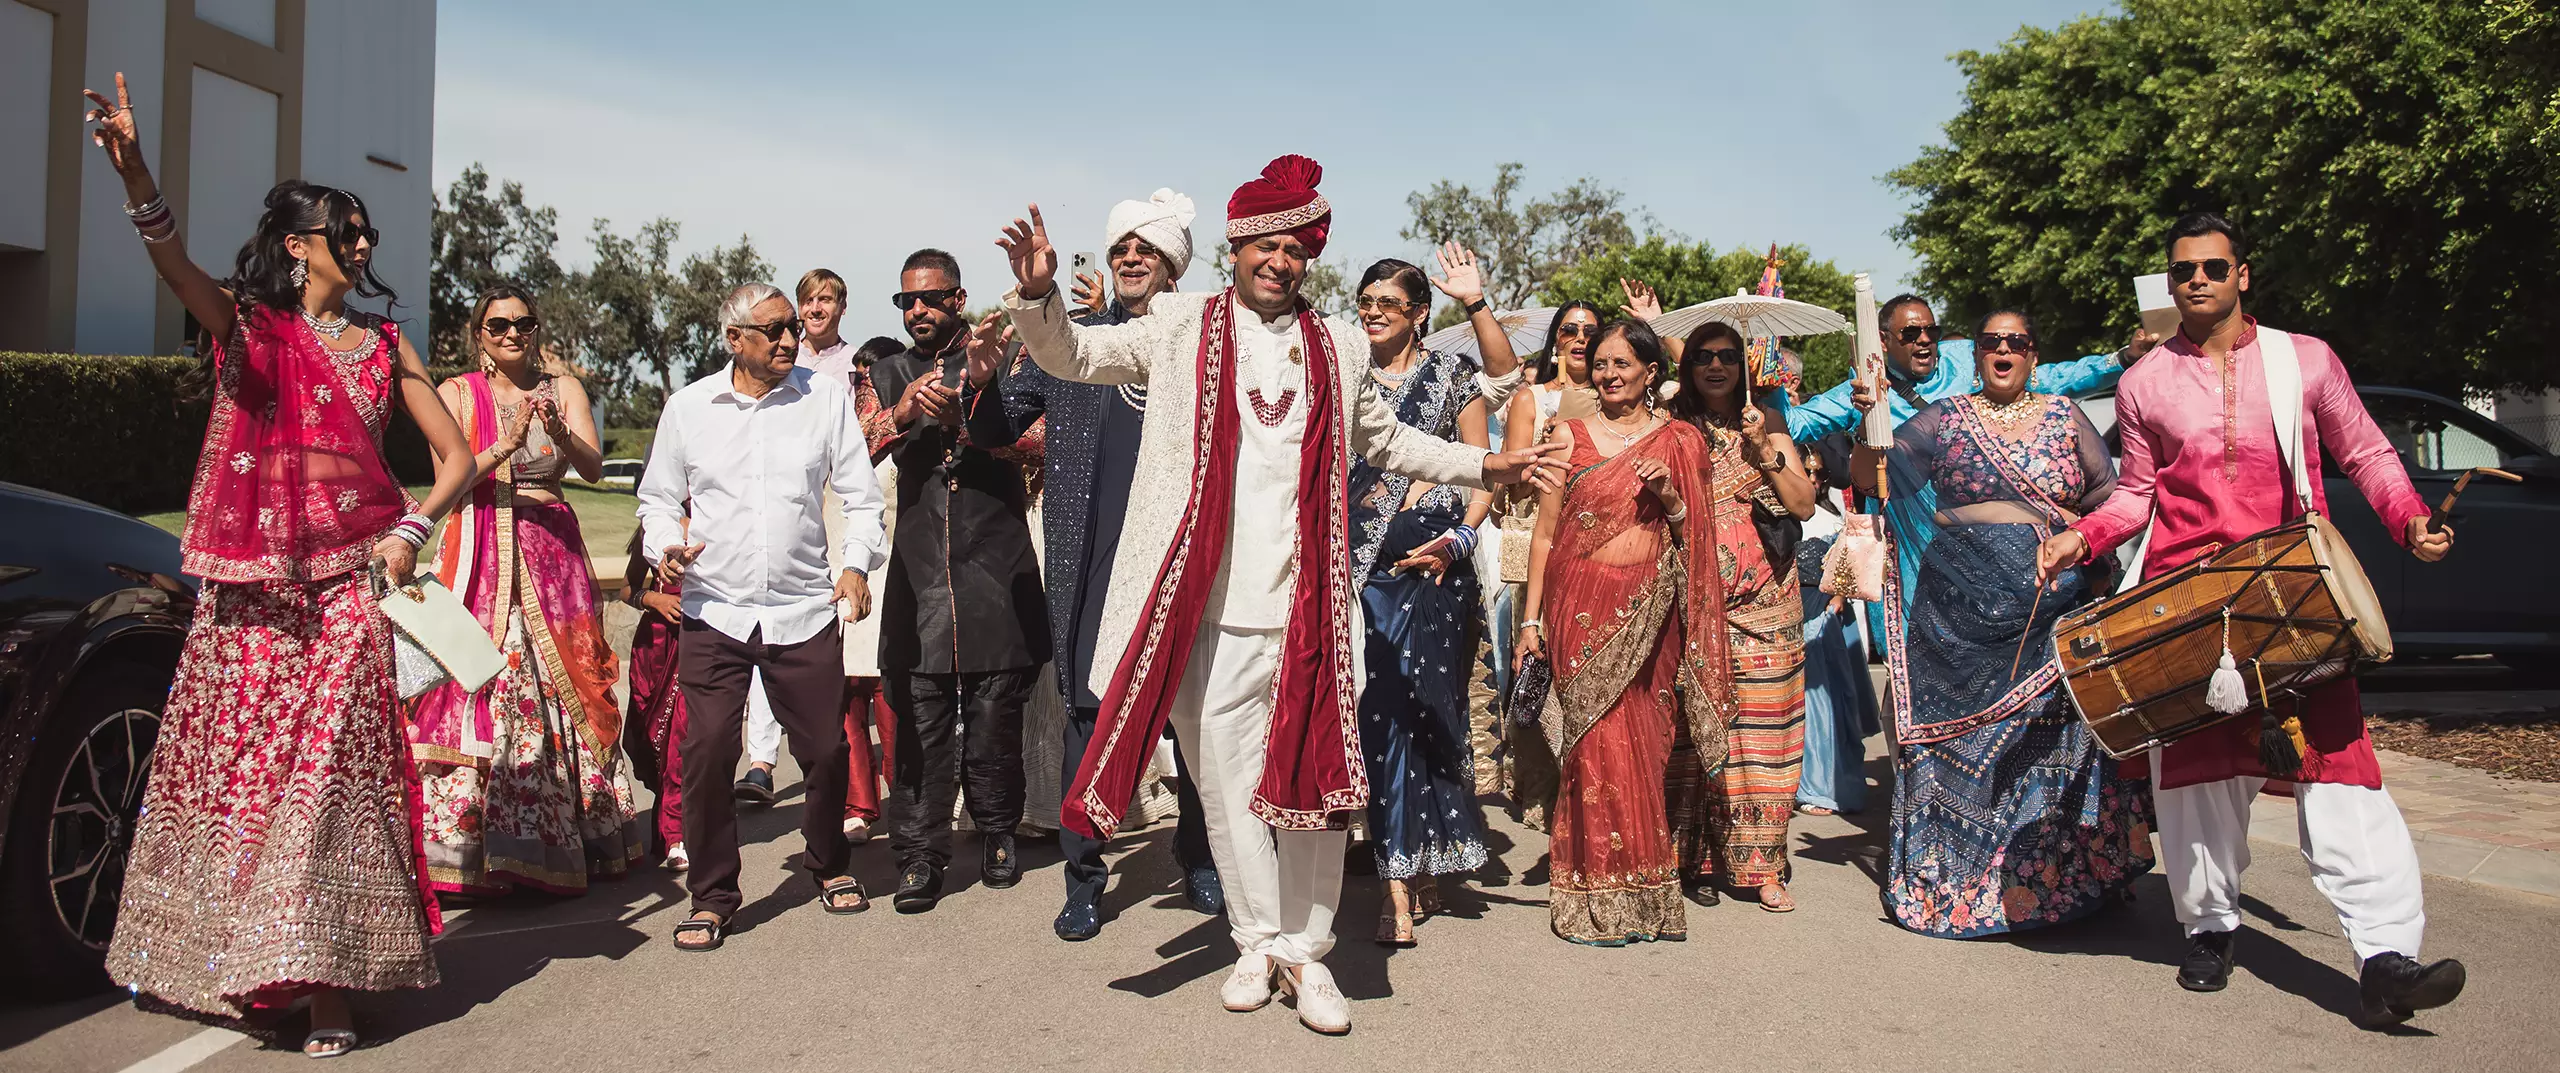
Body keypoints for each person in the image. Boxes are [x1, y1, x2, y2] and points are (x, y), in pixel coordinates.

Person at [993, 155, 1562, 1035]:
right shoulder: (1179, 323)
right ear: (1235, 247)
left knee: (1318, 783)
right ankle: (1256, 938)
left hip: (1309, 607)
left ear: (1308, 258)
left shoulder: (1336, 341)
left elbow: (1388, 437)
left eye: (1295, 247)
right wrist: (1038, 299)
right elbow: (1078, 354)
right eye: (1265, 243)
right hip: (1206, 609)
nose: (1279, 259)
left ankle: (1308, 949)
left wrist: (1485, 461)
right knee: (1223, 785)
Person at [85, 74, 478, 1057]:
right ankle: (225, 954)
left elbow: (456, 460)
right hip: (252, 597)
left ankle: (326, 991)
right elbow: (177, 270)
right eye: (346, 230)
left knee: (326, 782)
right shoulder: (253, 331)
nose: (363, 245)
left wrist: (411, 531)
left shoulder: (389, 346)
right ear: (300, 244)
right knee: (246, 779)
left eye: (366, 231)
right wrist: (137, 174)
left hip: (350, 589)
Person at [2037, 213, 2464, 1025]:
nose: (2196, 279)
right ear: (2170, 283)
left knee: (2341, 769)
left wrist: (2408, 519)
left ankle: (2386, 956)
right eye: (2182, 269)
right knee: (2198, 773)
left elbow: (2367, 451)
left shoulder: (2304, 359)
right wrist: (2081, 535)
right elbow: (2137, 491)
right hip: (2191, 598)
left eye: (2212, 266)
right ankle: (2207, 927)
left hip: (2292, 592)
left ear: (2243, 275)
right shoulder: (2143, 383)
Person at [1844, 311, 2152, 937]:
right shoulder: (1947, 417)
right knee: (1954, 745)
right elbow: (1874, 477)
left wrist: (2094, 560)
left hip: (2052, 608)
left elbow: (2106, 498)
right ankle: (1960, 878)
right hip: (1955, 617)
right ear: (1977, 354)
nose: (2003, 351)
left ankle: (2061, 880)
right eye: (1990, 343)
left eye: (2017, 343)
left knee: (2053, 745)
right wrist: (1868, 419)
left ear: (2034, 355)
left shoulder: (2067, 418)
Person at [977, 189, 1219, 941]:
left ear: (1174, 263)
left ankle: (1201, 853)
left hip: (1181, 563)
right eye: (1121, 248)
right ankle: (1085, 878)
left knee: (1194, 720)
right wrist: (983, 380)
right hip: (1089, 563)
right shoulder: (1068, 342)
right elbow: (995, 428)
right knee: (1088, 717)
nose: (1131, 257)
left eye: (1146, 248)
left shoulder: (1203, 346)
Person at [636, 282, 889, 951]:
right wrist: (664, 547)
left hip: (803, 610)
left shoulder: (823, 400)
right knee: (709, 749)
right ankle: (714, 894)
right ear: (734, 338)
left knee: (828, 750)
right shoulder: (690, 408)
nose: (788, 341)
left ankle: (828, 861)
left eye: (792, 331)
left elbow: (863, 499)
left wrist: (856, 564)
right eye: (772, 330)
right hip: (713, 611)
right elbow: (656, 501)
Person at [407, 284, 641, 897]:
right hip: (482, 549)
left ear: (536, 328)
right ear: (479, 333)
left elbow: (591, 469)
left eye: (523, 322)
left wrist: (558, 433)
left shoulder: (561, 389)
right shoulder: (457, 394)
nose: (512, 333)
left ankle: (566, 837)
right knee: (493, 680)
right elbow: (448, 482)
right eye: (498, 324)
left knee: (563, 681)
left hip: (549, 556)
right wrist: (503, 447)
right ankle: (479, 848)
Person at [1515, 318, 1731, 945]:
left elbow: (1698, 535)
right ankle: (1588, 892)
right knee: (1593, 746)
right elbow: (1546, 531)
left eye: (1622, 364)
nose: (1608, 374)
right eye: (1602, 363)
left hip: (1649, 610)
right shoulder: (1567, 434)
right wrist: (1530, 619)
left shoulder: (1680, 441)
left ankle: (1644, 891)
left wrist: (1671, 498)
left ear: (1650, 372)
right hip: (1577, 605)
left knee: (1642, 742)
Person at [859, 248, 1048, 913]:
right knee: (920, 712)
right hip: (918, 569)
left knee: (997, 706)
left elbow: (1040, 441)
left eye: (930, 299)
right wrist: (906, 410)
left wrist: (976, 411)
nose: (917, 311)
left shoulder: (1008, 355)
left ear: (959, 299)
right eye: (906, 301)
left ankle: (997, 829)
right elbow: (851, 450)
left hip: (995, 559)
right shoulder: (882, 372)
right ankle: (919, 853)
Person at [1345, 246, 1516, 945]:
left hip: (1439, 576)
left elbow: (1483, 471)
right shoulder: (1346, 374)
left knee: (1434, 716)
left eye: (1389, 303)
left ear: (1419, 314)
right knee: (1380, 720)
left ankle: (1429, 858)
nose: (1373, 311)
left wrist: (1459, 540)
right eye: (1366, 300)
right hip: (1364, 575)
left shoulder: (1452, 375)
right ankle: (1394, 889)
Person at [1786, 295, 2146, 623]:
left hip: (2025, 564)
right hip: (1914, 551)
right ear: (1883, 342)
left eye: (1931, 330)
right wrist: (1771, 388)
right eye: (1911, 333)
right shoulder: (1865, 391)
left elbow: (2053, 377)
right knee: (1918, 661)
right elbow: (1797, 426)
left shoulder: (1971, 360)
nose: (1925, 340)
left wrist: (2121, 360)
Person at [1661, 321, 1816, 913]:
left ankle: (1761, 864)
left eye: (1728, 356)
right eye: (1704, 357)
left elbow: (1801, 503)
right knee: (1690, 732)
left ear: (1744, 367)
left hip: (1767, 603)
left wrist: (1764, 456)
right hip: (1691, 601)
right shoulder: (1673, 431)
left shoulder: (1769, 424)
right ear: (1690, 366)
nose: (1716, 366)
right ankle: (1686, 856)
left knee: (1763, 735)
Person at [1792, 437, 1880, 815]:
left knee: (1829, 705)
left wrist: (1839, 599)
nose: (1812, 480)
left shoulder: (1835, 519)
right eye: (1804, 472)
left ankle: (1824, 787)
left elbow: (1855, 570)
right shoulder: (1779, 513)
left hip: (1828, 616)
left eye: (1817, 473)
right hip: (1790, 613)